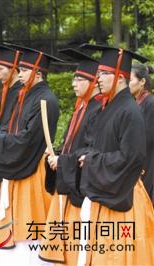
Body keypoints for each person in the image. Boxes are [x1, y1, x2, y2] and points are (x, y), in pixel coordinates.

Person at [0, 44, 61, 265]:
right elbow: (15, 133)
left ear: (38, 72)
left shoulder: (46, 100)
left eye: (24, 70)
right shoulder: (27, 96)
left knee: (30, 234)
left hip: (32, 173)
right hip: (19, 169)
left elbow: (27, 141)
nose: (20, 73)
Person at [74, 44, 154, 265]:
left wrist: (92, 160)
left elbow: (133, 157)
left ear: (120, 77)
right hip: (103, 190)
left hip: (123, 194)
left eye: (104, 74)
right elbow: (93, 144)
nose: (98, 78)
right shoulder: (107, 108)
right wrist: (86, 156)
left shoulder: (131, 111)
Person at [38, 48, 102, 264]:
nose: (73, 84)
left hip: (82, 189)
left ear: (93, 81)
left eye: (79, 79)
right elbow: (71, 144)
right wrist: (56, 153)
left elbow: (92, 149)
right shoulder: (81, 108)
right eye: (74, 79)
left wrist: (63, 161)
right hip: (69, 180)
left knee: (78, 244)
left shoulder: (99, 110)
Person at [129, 64, 154, 203]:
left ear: (142, 82)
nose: (127, 84)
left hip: (148, 166)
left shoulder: (150, 104)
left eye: (130, 80)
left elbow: (147, 140)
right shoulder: (137, 103)